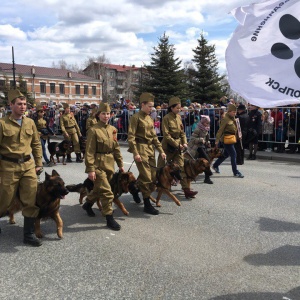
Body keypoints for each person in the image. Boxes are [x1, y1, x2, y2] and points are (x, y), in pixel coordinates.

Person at [0, 89, 43, 246]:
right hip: (8, 167)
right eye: (19, 104)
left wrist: (39, 163)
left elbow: (36, 144)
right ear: (11, 105)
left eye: (25, 104)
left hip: (27, 166)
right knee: (4, 200)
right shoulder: (2, 123)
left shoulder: (30, 122)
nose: (23, 107)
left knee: (30, 199)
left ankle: (29, 234)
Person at [83, 102, 124, 230]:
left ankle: (88, 204)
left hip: (110, 163)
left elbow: (116, 148)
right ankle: (109, 218)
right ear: (98, 115)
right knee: (107, 192)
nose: (106, 116)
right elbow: (89, 151)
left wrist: (120, 164)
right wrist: (90, 169)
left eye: (108, 113)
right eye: (103, 114)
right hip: (98, 164)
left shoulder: (112, 129)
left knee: (98, 189)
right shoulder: (93, 130)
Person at [128, 92, 166, 215]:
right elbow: (131, 136)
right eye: (149, 106)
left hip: (150, 149)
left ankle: (134, 188)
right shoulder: (136, 118)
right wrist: (135, 153)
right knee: (146, 177)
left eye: (152, 106)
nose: (152, 109)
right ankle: (147, 204)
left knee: (153, 176)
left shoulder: (150, 118)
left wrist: (161, 150)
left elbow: (154, 136)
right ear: (143, 105)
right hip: (140, 148)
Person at [157, 97, 199, 197]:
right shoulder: (166, 118)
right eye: (177, 108)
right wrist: (177, 144)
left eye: (180, 108)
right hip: (167, 147)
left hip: (178, 147)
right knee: (161, 167)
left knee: (180, 167)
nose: (179, 110)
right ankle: (158, 184)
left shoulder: (179, 118)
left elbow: (182, 132)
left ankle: (186, 190)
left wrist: (184, 143)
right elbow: (166, 135)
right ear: (171, 108)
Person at [212, 104, 244, 178]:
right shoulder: (225, 119)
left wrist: (239, 135)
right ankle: (235, 172)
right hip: (226, 139)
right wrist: (217, 140)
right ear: (229, 112)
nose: (234, 113)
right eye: (233, 112)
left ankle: (215, 165)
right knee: (233, 154)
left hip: (232, 138)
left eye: (235, 112)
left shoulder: (233, 119)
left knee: (226, 154)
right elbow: (220, 130)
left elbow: (235, 129)